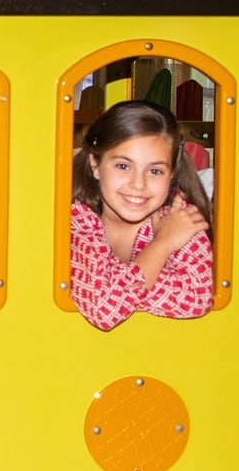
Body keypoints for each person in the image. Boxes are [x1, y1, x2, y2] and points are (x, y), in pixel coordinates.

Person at [69, 100, 214, 329]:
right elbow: (104, 308)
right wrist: (163, 244)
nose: (139, 184)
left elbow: (198, 297)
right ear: (95, 164)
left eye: (155, 171)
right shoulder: (78, 220)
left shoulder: (179, 220)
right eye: (123, 166)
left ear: (172, 175)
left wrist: (116, 283)